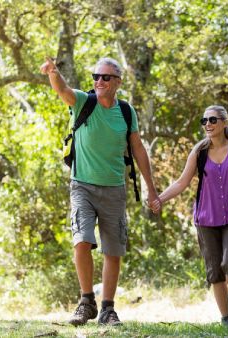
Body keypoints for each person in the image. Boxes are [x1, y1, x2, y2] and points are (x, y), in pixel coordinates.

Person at [39, 57, 159, 326]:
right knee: (81, 240)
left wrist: (151, 189)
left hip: (115, 188)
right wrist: (53, 72)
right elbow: (63, 90)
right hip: (82, 184)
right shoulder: (84, 102)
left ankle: (107, 309)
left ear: (117, 82)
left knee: (113, 250)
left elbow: (138, 149)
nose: (99, 81)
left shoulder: (127, 112)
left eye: (106, 77)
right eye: (96, 76)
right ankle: (86, 301)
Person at [150, 105, 228, 327]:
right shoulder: (199, 151)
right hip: (206, 219)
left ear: (224, 122)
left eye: (213, 120)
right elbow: (181, 182)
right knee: (215, 271)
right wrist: (159, 199)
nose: (208, 124)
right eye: (204, 121)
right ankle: (226, 319)